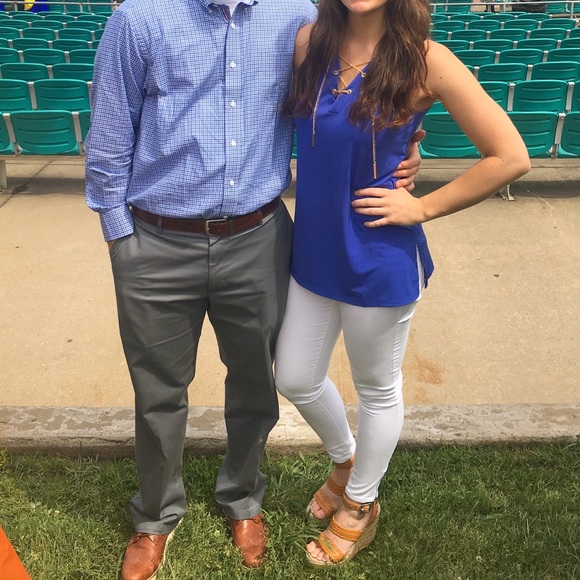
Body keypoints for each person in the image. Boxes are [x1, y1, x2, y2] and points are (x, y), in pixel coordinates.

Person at [85, 0, 422, 577]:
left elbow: (361, 91)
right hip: (157, 242)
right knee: (158, 390)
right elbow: (110, 131)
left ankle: (243, 497)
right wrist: (120, 236)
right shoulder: (139, 19)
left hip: (257, 237)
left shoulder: (296, 17)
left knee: (254, 385)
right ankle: (156, 515)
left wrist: (406, 145)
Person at [275, 0, 530, 567]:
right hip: (314, 250)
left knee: (377, 388)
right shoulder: (309, 43)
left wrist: (423, 207)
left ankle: (361, 502)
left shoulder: (426, 60)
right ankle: (346, 462)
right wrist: (406, 140)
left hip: (378, 255)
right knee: (294, 376)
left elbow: (510, 156)